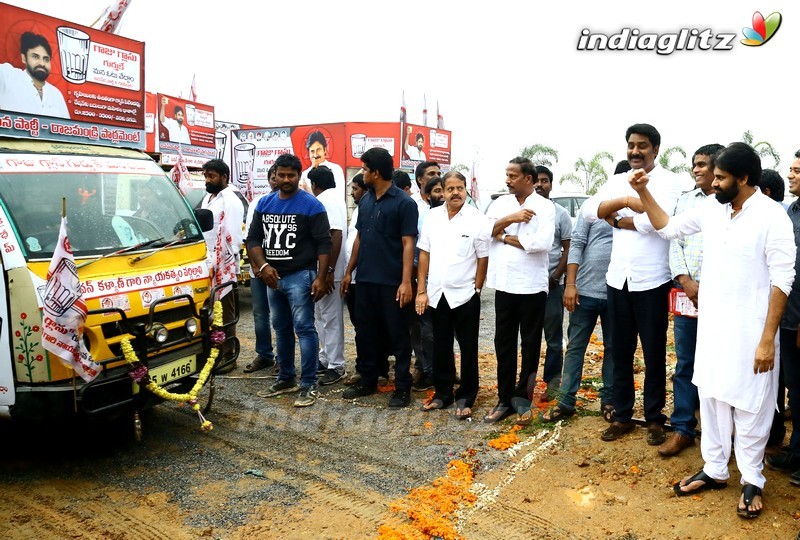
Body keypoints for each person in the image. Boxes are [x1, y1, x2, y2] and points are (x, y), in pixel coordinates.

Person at [631, 142, 795, 520]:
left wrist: (768, 339)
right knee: (713, 396)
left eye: (720, 177)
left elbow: (782, 280)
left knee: (752, 404)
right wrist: (642, 191)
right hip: (714, 327)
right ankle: (716, 469)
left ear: (743, 178)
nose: (713, 183)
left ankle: (752, 478)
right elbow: (668, 228)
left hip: (753, 331)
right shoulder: (711, 207)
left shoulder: (772, 216)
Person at [582, 123, 692, 446]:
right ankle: (623, 416)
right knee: (619, 350)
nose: (634, 151)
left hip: (653, 280)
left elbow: (660, 222)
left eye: (642, 146)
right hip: (618, 279)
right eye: (631, 145)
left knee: (654, 351)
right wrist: (628, 199)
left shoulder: (671, 182)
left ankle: (655, 418)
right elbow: (590, 211)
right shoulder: (616, 180)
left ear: (655, 149)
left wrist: (618, 218)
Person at [246, 153, 332, 407]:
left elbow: (324, 244)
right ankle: (286, 377)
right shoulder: (264, 204)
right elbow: (252, 240)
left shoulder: (311, 205)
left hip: (300, 277)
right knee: (281, 328)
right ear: (275, 174)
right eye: (281, 175)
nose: (285, 179)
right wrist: (262, 267)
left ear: (299, 175)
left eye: (291, 175)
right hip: (273, 278)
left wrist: (321, 276)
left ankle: (308, 384)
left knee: (304, 328)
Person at [658, 143, 725, 457]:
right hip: (688, 297)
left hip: (724, 300)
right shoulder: (686, 201)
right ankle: (683, 428)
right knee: (685, 363)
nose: (696, 170)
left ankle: (723, 434)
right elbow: (674, 242)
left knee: (722, 363)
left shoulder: (733, 203)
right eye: (694, 165)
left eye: (702, 164)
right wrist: (685, 281)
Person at [340, 148, 418, 408]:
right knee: (367, 332)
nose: (362, 173)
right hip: (365, 281)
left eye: (364, 169)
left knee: (398, 336)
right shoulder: (366, 200)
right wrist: (349, 271)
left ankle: (402, 387)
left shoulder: (404, 203)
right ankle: (369, 380)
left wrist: (406, 282)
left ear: (376, 172)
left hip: (393, 283)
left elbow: (409, 244)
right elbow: (360, 238)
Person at [483, 156, 555, 423]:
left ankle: (523, 398)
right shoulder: (501, 204)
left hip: (532, 287)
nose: (508, 180)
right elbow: (484, 230)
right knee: (503, 342)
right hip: (504, 284)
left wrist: (503, 237)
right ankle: (504, 398)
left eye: (513, 176)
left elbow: (540, 244)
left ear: (529, 179)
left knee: (530, 343)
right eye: (507, 174)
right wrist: (511, 219)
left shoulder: (545, 207)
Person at [416, 171, 489, 420]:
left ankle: (467, 395)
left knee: (468, 347)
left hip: (465, 294)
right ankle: (443, 393)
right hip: (438, 294)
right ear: (443, 191)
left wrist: (477, 288)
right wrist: (421, 290)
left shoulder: (476, 219)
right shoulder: (432, 217)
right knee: (441, 346)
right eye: (450, 188)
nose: (455, 193)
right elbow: (424, 253)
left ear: (466, 190)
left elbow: (483, 257)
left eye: (460, 188)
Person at [541, 208, 614, 423]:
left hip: (617, 292)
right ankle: (565, 401)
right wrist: (570, 284)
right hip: (585, 291)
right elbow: (576, 244)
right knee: (575, 346)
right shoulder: (592, 208)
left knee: (613, 347)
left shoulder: (634, 210)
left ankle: (609, 399)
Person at [765, 151, 800, 485]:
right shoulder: (790, 212)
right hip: (789, 318)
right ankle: (796, 452)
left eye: (797, 171)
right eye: (790, 169)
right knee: (797, 390)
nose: (791, 175)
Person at [343, 174, 390, 386]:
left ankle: (377, 368)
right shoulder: (361, 209)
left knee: (373, 326)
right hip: (355, 279)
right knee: (360, 326)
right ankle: (364, 366)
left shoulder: (374, 207)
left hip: (371, 278)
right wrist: (348, 272)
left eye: (355, 188)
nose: (353, 192)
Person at [200, 159, 245, 373]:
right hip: (206, 261)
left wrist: (224, 262)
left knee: (225, 310)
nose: (208, 180)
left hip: (224, 264)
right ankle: (214, 351)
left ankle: (229, 355)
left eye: (212, 176)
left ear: (224, 177)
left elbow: (234, 236)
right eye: (206, 176)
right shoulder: (209, 197)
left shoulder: (231, 200)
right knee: (209, 310)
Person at [534, 165, 572, 403]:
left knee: (554, 337)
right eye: (536, 180)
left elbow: (568, 249)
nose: (540, 184)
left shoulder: (560, 214)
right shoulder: (524, 211)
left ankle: (553, 380)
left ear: (551, 184)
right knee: (528, 337)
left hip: (551, 285)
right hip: (527, 287)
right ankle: (526, 382)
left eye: (545, 181)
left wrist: (556, 276)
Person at [309, 165, 348, 385]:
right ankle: (325, 358)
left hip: (329, 271)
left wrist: (328, 272)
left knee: (330, 318)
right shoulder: (336, 198)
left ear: (314, 185)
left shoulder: (325, 200)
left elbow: (336, 235)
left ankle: (336, 364)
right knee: (321, 316)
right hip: (327, 270)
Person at [242, 165, 278, 373]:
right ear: (269, 180)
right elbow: (250, 239)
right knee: (260, 313)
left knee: (283, 315)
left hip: (280, 268)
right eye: (273, 177)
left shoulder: (292, 203)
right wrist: (256, 265)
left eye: (279, 177)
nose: (276, 181)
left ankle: (284, 358)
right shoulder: (258, 203)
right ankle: (264, 354)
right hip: (259, 267)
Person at [0, 32, 69, 118]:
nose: (42, 63)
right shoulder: (9, 76)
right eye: (35, 57)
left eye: (46, 59)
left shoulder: (56, 94)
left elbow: (67, 128)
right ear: (24, 58)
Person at [299, 130, 346, 202]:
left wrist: (308, 190)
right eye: (312, 151)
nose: (315, 155)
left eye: (318, 150)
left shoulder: (335, 170)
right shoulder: (304, 175)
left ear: (325, 150)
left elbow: (338, 199)